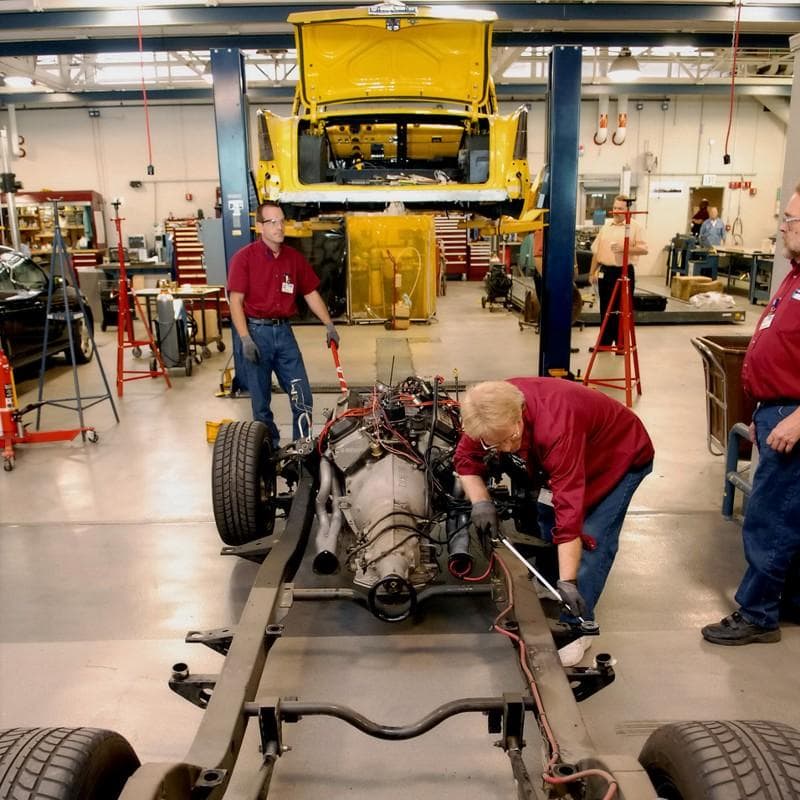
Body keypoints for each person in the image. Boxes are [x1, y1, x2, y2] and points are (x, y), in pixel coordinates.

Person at [454, 378, 654, 666]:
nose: (506, 448)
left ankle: (578, 627)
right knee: (546, 515)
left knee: (591, 537)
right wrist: (481, 502)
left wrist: (569, 581)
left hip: (617, 457)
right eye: (496, 444)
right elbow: (465, 459)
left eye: (510, 438)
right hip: (570, 456)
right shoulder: (485, 415)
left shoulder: (556, 426)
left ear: (519, 415)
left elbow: (569, 513)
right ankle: (550, 583)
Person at [701, 181, 800, 646]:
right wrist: (765, 412)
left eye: (790, 220)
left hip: (793, 418)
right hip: (777, 413)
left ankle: (758, 615)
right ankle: (789, 602)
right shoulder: (794, 275)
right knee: (787, 515)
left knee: (770, 519)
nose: (782, 227)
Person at [227, 200, 340, 448]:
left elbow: (310, 293)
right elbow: (235, 301)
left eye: (282, 221)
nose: (279, 227)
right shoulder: (244, 258)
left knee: (302, 396)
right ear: (260, 227)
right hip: (256, 334)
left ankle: (302, 448)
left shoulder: (294, 259)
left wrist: (329, 325)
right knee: (260, 402)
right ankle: (269, 448)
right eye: (272, 222)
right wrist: (245, 338)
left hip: (284, 333)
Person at [589, 195, 648, 351]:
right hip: (605, 271)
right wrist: (591, 272)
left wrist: (624, 248)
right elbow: (596, 252)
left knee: (622, 309)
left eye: (620, 209)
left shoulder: (635, 227)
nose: (616, 211)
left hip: (623, 271)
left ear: (628, 210)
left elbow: (644, 249)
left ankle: (621, 343)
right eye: (614, 208)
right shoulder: (606, 226)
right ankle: (604, 343)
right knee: (605, 308)